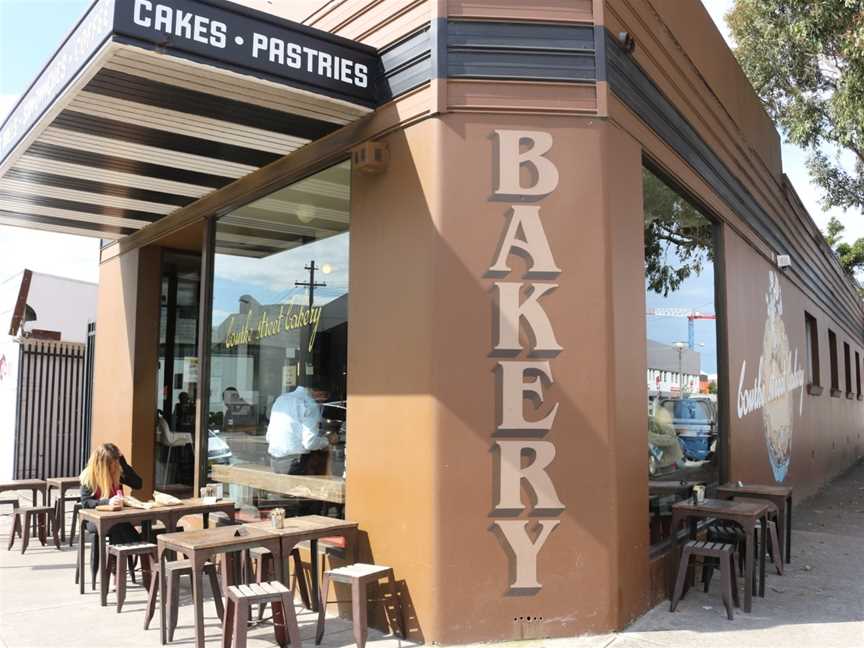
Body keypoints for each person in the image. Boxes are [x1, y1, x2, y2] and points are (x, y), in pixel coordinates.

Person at [79, 443, 143, 577]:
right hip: (94, 521)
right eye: (112, 465)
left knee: (118, 526)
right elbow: (86, 503)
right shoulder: (89, 476)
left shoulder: (116, 472)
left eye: (116, 464)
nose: (114, 468)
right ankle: (141, 550)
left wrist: (123, 463)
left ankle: (116, 572)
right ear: (102, 465)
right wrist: (107, 502)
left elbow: (138, 484)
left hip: (117, 519)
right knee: (119, 526)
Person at [266, 382, 336, 475]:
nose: (324, 399)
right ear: (318, 391)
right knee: (323, 458)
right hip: (295, 464)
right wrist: (328, 440)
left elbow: (268, 437)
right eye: (325, 395)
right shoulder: (309, 404)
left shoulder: (281, 399)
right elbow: (309, 443)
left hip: (274, 463)